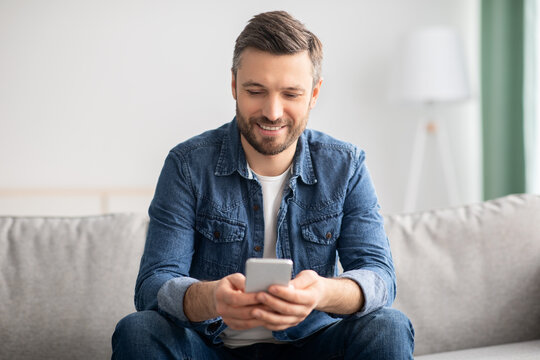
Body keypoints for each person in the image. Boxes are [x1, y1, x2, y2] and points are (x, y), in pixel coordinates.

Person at [112, 10, 414, 359]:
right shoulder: (187, 165)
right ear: (233, 86)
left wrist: (321, 293)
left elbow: (379, 278)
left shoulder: (346, 166)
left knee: (389, 326)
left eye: (291, 94)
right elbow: (154, 285)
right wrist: (211, 298)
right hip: (212, 348)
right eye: (256, 91)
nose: (272, 111)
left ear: (314, 94)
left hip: (313, 346)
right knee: (138, 331)